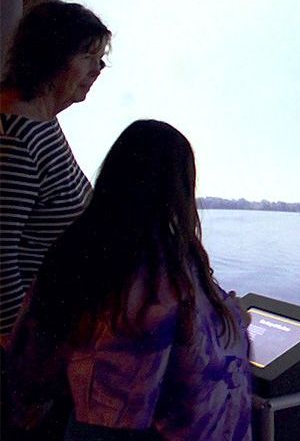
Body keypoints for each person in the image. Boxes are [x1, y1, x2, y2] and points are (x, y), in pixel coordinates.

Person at [3, 120, 252, 440]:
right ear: (180, 187)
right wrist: (235, 315)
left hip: (51, 422)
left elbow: (31, 350)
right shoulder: (174, 272)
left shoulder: (71, 252)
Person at [0, 0, 111, 337]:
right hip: (26, 340)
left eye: (100, 60)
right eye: (87, 58)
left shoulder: (43, 121)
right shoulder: (18, 138)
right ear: (50, 56)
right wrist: (15, 340)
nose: (97, 70)